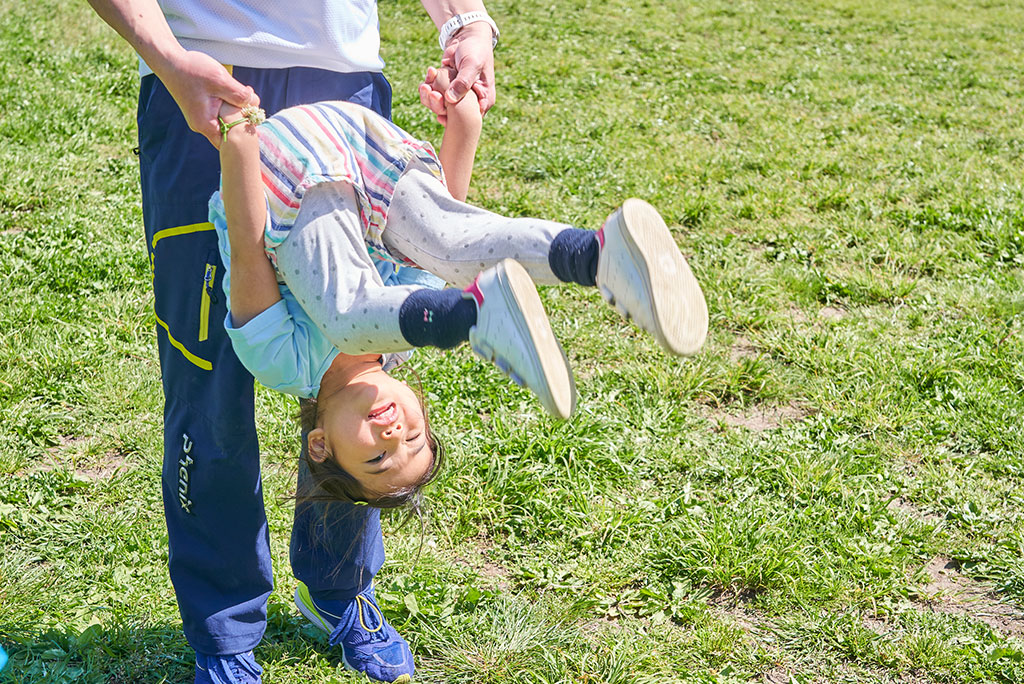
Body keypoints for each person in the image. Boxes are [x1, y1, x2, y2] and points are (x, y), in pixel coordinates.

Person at [86, 1, 500, 683]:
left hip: (343, 77)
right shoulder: (397, 334)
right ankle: (223, 627)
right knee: (206, 387)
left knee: (343, 426)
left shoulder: (348, 361)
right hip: (200, 67)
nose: (396, 428)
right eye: (413, 436)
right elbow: (445, 229)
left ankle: (337, 588)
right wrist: (163, 55)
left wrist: (467, 23)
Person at [211, 84, 709, 499]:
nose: (393, 434)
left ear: (319, 445)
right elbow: (448, 242)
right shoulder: (405, 328)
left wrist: (239, 146)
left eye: (378, 457)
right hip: (358, 145)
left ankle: (478, 317)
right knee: (456, 252)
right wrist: (464, 126)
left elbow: (248, 248)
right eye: (414, 436)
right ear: (420, 407)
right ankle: (599, 256)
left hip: (279, 166)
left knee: (349, 318)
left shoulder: (283, 363)